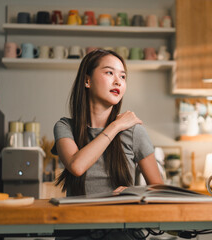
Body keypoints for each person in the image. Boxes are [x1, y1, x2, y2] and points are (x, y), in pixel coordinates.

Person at [52, 49, 164, 197]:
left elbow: (160, 190)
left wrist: (134, 191)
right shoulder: (65, 127)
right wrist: (116, 126)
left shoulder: (134, 132)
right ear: (87, 80)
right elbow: (76, 166)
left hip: (121, 218)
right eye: (109, 73)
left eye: (123, 76)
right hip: (77, 218)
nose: (118, 81)